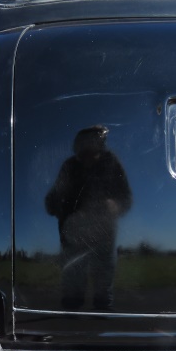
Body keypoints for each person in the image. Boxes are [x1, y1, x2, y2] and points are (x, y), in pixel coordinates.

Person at [45, 126, 132, 310]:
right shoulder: (70, 167)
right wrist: (62, 207)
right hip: (74, 232)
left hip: (104, 231)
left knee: (103, 273)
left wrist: (113, 205)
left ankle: (103, 310)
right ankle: (71, 313)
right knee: (74, 275)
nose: (89, 149)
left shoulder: (110, 163)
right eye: (84, 143)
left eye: (95, 141)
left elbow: (125, 198)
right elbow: (52, 200)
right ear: (78, 146)